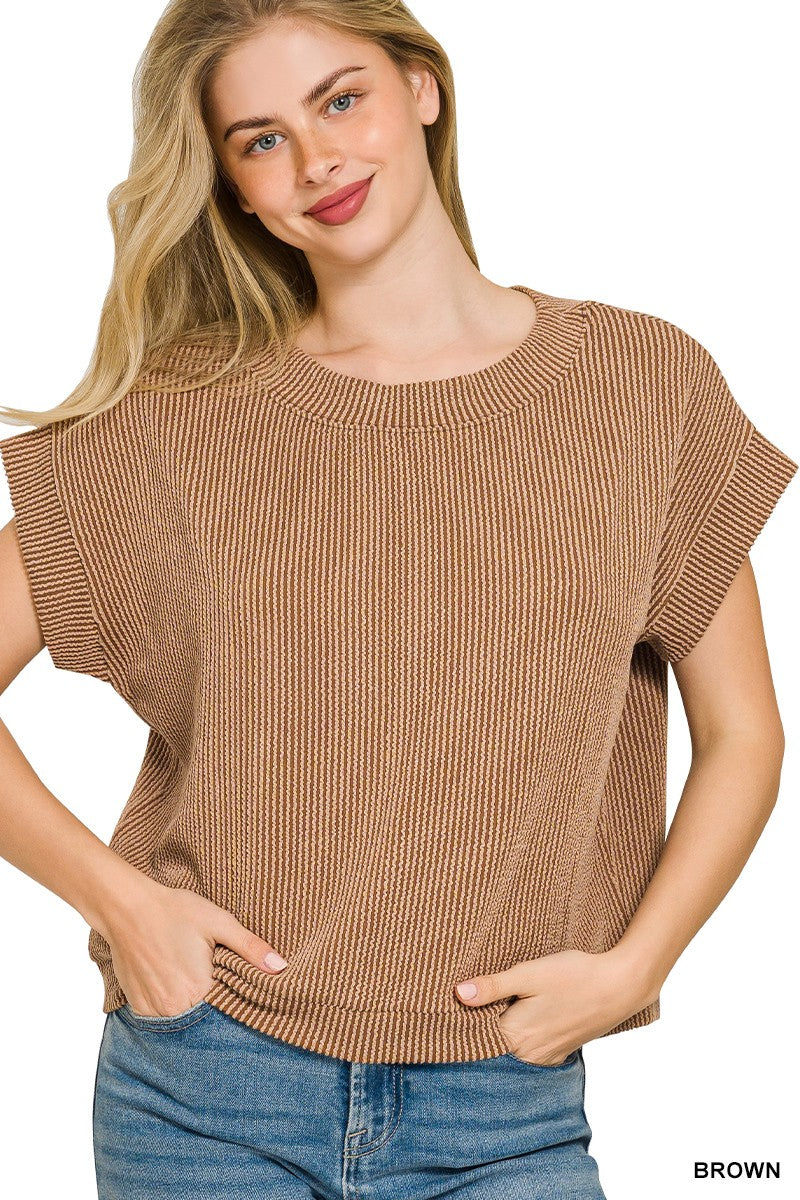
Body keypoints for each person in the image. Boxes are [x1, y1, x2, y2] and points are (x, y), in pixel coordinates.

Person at [0, 1, 796, 1197]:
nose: (317, 159)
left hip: (506, 1100)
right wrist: (122, 904)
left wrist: (637, 966)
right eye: (261, 139)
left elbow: (741, 733)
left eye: (341, 99)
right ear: (231, 186)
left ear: (421, 87)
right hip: (207, 1092)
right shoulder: (178, 417)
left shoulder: (639, 385)